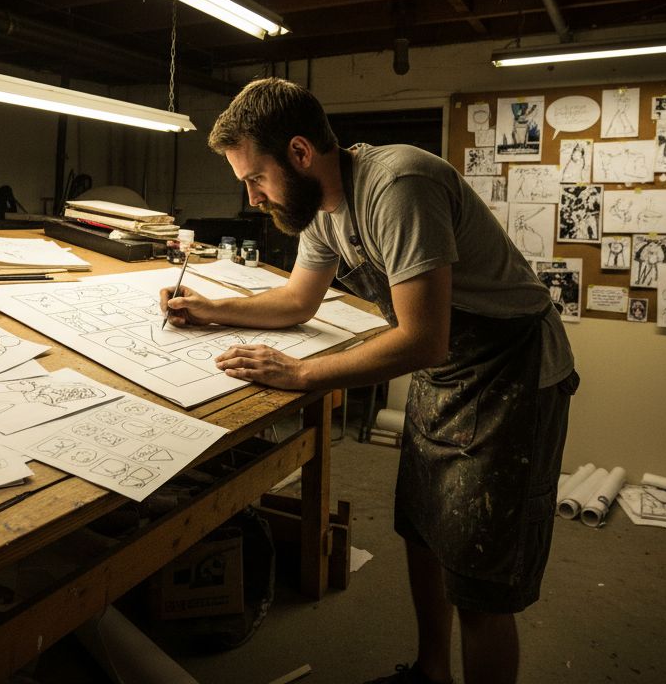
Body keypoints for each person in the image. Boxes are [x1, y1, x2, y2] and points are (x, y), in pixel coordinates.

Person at [161, 78, 578, 684]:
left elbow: (421, 338)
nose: (252, 198)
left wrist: (301, 373)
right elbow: (298, 301)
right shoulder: (319, 208)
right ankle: (432, 673)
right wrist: (209, 308)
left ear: (300, 154)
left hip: (510, 368)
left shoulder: (397, 186)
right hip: (450, 369)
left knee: (479, 576)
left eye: (255, 178)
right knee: (424, 529)